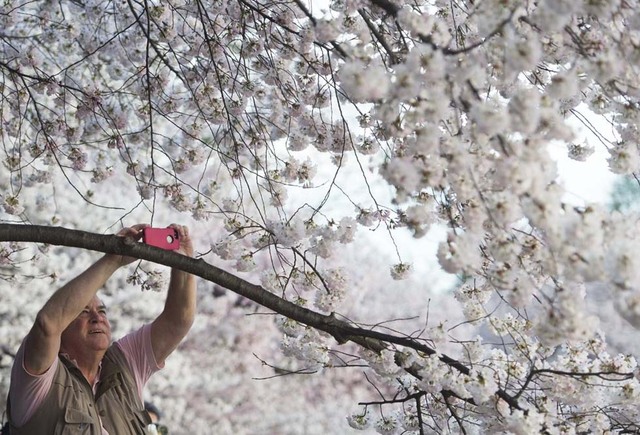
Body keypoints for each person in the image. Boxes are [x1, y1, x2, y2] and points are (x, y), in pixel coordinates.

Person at [6, 224, 196, 434]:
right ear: (63, 325)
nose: (97, 318)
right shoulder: (41, 377)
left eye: (102, 311)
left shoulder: (125, 365)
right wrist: (114, 259)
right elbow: (47, 323)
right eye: (84, 312)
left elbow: (177, 321)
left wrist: (184, 263)